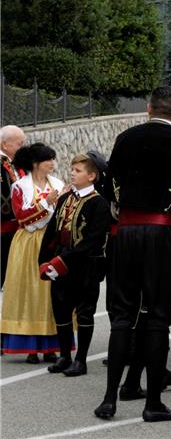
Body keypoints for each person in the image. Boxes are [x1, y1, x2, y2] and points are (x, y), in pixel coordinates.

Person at [94, 86, 171, 422]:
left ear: (148, 108)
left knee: (123, 315)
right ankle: (152, 402)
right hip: (162, 233)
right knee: (156, 315)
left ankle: (109, 398)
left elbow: (109, 181)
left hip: (125, 232)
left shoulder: (126, 137)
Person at [38, 152, 112, 376]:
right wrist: (44, 259)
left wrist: (63, 259)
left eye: (78, 171)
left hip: (86, 265)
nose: (72, 173)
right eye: (72, 169)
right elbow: (52, 231)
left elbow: (93, 240)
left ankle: (81, 360)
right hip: (61, 262)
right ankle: (64, 356)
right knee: (60, 309)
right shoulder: (64, 199)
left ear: (92, 176)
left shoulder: (99, 203)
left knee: (84, 312)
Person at [0, 143, 65, 361]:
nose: (52, 164)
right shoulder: (20, 187)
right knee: (30, 291)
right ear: (36, 163)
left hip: (51, 240)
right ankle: (31, 347)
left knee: (50, 292)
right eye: (49, 160)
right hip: (29, 242)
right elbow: (22, 218)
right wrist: (46, 204)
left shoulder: (58, 184)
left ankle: (51, 346)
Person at [1, 125, 26, 288]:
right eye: (19, 144)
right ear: (5, 145)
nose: (22, 147)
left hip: (16, 223)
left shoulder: (15, 163)